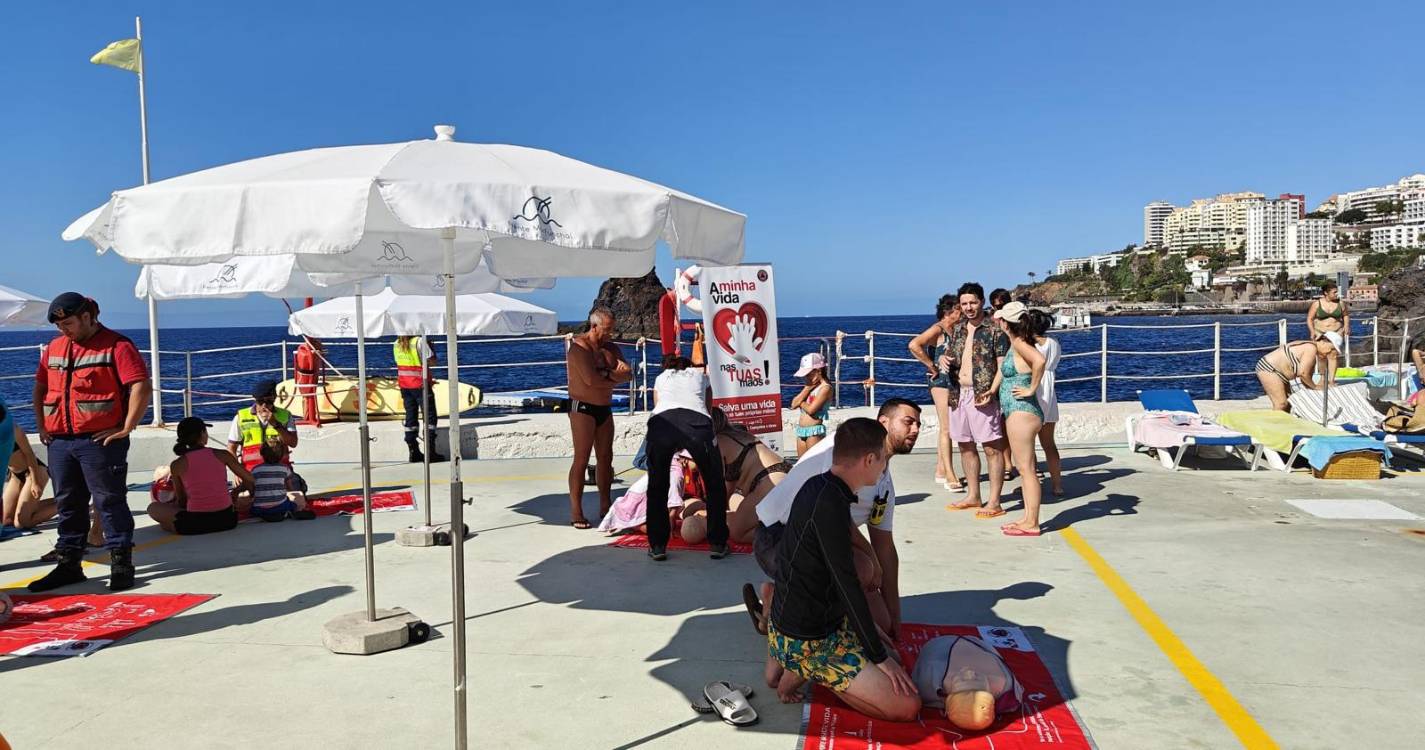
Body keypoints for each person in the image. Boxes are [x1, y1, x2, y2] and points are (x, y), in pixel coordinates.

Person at [764, 418, 920, 722]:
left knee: (896, 658)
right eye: (882, 461)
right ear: (869, 459)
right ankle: (804, 669)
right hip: (812, 639)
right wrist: (877, 656)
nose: (883, 469)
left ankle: (781, 662)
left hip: (795, 619)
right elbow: (846, 586)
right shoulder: (830, 506)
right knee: (907, 704)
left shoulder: (819, 486)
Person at [748, 398, 920, 638]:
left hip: (815, 543)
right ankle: (783, 602)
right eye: (908, 422)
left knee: (882, 621)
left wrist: (895, 619)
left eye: (918, 425)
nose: (916, 430)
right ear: (884, 422)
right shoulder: (846, 450)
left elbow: (886, 548)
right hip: (776, 537)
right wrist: (870, 556)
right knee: (862, 568)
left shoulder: (883, 484)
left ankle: (777, 596)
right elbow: (828, 511)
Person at [28, 293, 151, 593]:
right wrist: (42, 425)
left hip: (99, 441)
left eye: (68, 323)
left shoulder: (117, 345)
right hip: (60, 441)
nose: (63, 331)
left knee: (109, 501)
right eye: (59, 326)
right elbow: (41, 385)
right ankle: (69, 564)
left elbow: (140, 385)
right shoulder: (56, 347)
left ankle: (121, 564)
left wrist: (127, 426)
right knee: (68, 503)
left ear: (87, 316)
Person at [643, 355, 729, 560]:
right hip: (697, 424)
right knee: (714, 482)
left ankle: (657, 546)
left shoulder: (661, 378)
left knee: (657, 485)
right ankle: (717, 543)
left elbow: (658, 406)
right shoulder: (701, 376)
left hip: (662, 425)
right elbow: (708, 410)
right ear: (690, 366)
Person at [941, 284, 1012, 518]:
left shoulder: (995, 330)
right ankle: (973, 495)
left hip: (982, 394)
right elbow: (952, 354)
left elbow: (1003, 366)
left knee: (992, 448)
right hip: (957, 394)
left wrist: (992, 391)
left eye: (972, 302)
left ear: (982, 302)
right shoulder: (958, 328)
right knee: (965, 445)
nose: (968, 308)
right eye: (964, 304)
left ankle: (994, 501)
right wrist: (943, 359)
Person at [565, 307, 632, 529]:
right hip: (582, 408)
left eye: (612, 330)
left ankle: (606, 505)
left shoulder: (611, 348)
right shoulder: (579, 349)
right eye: (607, 330)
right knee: (581, 458)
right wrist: (614, 375)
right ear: (594, 326)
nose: (611, 334)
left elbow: (629, 374)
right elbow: (591, 380)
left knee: (606, 457)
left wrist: (608, 375)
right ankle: (577, 511)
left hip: (604, 407)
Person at [147, 417, 254, 535]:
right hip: (227, 520)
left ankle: (173, 526)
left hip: (195, 524)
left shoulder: (177, 465)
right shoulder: (223, 455)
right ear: (202, 434)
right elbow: (249, 478)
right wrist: (236, 491)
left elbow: (182, 501)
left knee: (153, 508)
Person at [993, 303, 1046, 537]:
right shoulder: (1017, 343)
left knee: (1026, 470)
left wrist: (1031, 389)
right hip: (1020, 410)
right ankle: (1027, 517)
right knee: (1028, 468)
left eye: (1001, 320)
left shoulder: (1019, 343)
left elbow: (1039, 362)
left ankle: (1032, 522)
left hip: (1021, 410)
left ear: (1006, 322)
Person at [908, 295, 966, 492]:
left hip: (955, 380)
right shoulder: (938, 329)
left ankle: (941, 470)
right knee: (947, 427)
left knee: (949, 425)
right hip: (940, 381)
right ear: (948, 312)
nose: (962, 312)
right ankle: (949, 474)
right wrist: (931, 365)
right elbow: (914, 345)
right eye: (959, 309)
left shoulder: (957, 329)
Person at [912, 634, 1025, 731]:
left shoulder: (930, 681)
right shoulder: (1003, 684)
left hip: (939, 643)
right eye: (977, 679)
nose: (970, 672)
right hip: (974, 642)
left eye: (962, 680)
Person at [714, 407, 791, 544]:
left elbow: (722, 493)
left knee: (737, 533)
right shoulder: (739, 435)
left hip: (767, 481)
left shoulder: (718, 443)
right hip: (783, 474)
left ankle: (791, 535)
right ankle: (788, 529)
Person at [227, 379, 306, 495]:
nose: (264, 406)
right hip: (250, 471)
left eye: (268, 402)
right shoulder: (241, 417)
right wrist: (238, 472)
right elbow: (231, 448)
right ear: (255, 400)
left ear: (274, 398)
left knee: (297, 492)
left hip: (280, 471)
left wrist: (276, 424)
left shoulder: (285, 416)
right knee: (241, 497)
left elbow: (293, 442)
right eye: (260, 402)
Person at [1254, 332, 1342, 412]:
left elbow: (1306, 380)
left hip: (1280, 374)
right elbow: (1303, 374)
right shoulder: (1310, 348)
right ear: (1323, 341)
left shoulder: (1312, 351)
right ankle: (1273, 427)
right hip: (1269, 369)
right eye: (1331, 349)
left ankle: (1285, 426)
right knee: (1281, 404)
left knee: (1289, 403)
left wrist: (1318, 389)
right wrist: (1315, 387)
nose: (1330, 352)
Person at [393, 334, 446, 464]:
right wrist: (431, 347)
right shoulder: (419, 341)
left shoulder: (396, 343)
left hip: (405, 385)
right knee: (430, 418)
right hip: (420, 385)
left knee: (411, 417)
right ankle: (430, 452)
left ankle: (413, 451)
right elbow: (432, 361)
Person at [1030, 310, 1064, 496]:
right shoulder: (1053, 343)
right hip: (1050, 392)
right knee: (1049, 444)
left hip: (1035, 389)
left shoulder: (1028, 345)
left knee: (1028, 444)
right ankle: (1057, 484)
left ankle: (1032, 483)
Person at [4, 418, 59, 532]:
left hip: (34, 472)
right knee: (5, 520)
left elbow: (29, 454)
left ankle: (74, 503)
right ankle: (66, 499)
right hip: (15, 476)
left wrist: (35, 482)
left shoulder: (12, 429)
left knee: (22, 522)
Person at [249, 438, 316, 522]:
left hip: (259, 508)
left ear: (261, 454)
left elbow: (252, 488)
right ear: (281, 456)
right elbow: (290, 488)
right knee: (292, 504)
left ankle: (266, 515)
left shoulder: (255, 470)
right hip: (280, 506)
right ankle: (292, 512)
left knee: (252, 509)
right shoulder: (284, 469)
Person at [789, 352, 833, 456]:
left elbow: (811, 410)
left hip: (814, 432)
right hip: (801, 431)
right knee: (801, 466)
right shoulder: (810, 386)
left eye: (808, 374)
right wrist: (807, 388)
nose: (806, 378)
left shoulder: (825, 388)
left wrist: (801, 401)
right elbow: (793, 404)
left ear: (818, 371)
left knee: (814, 467)